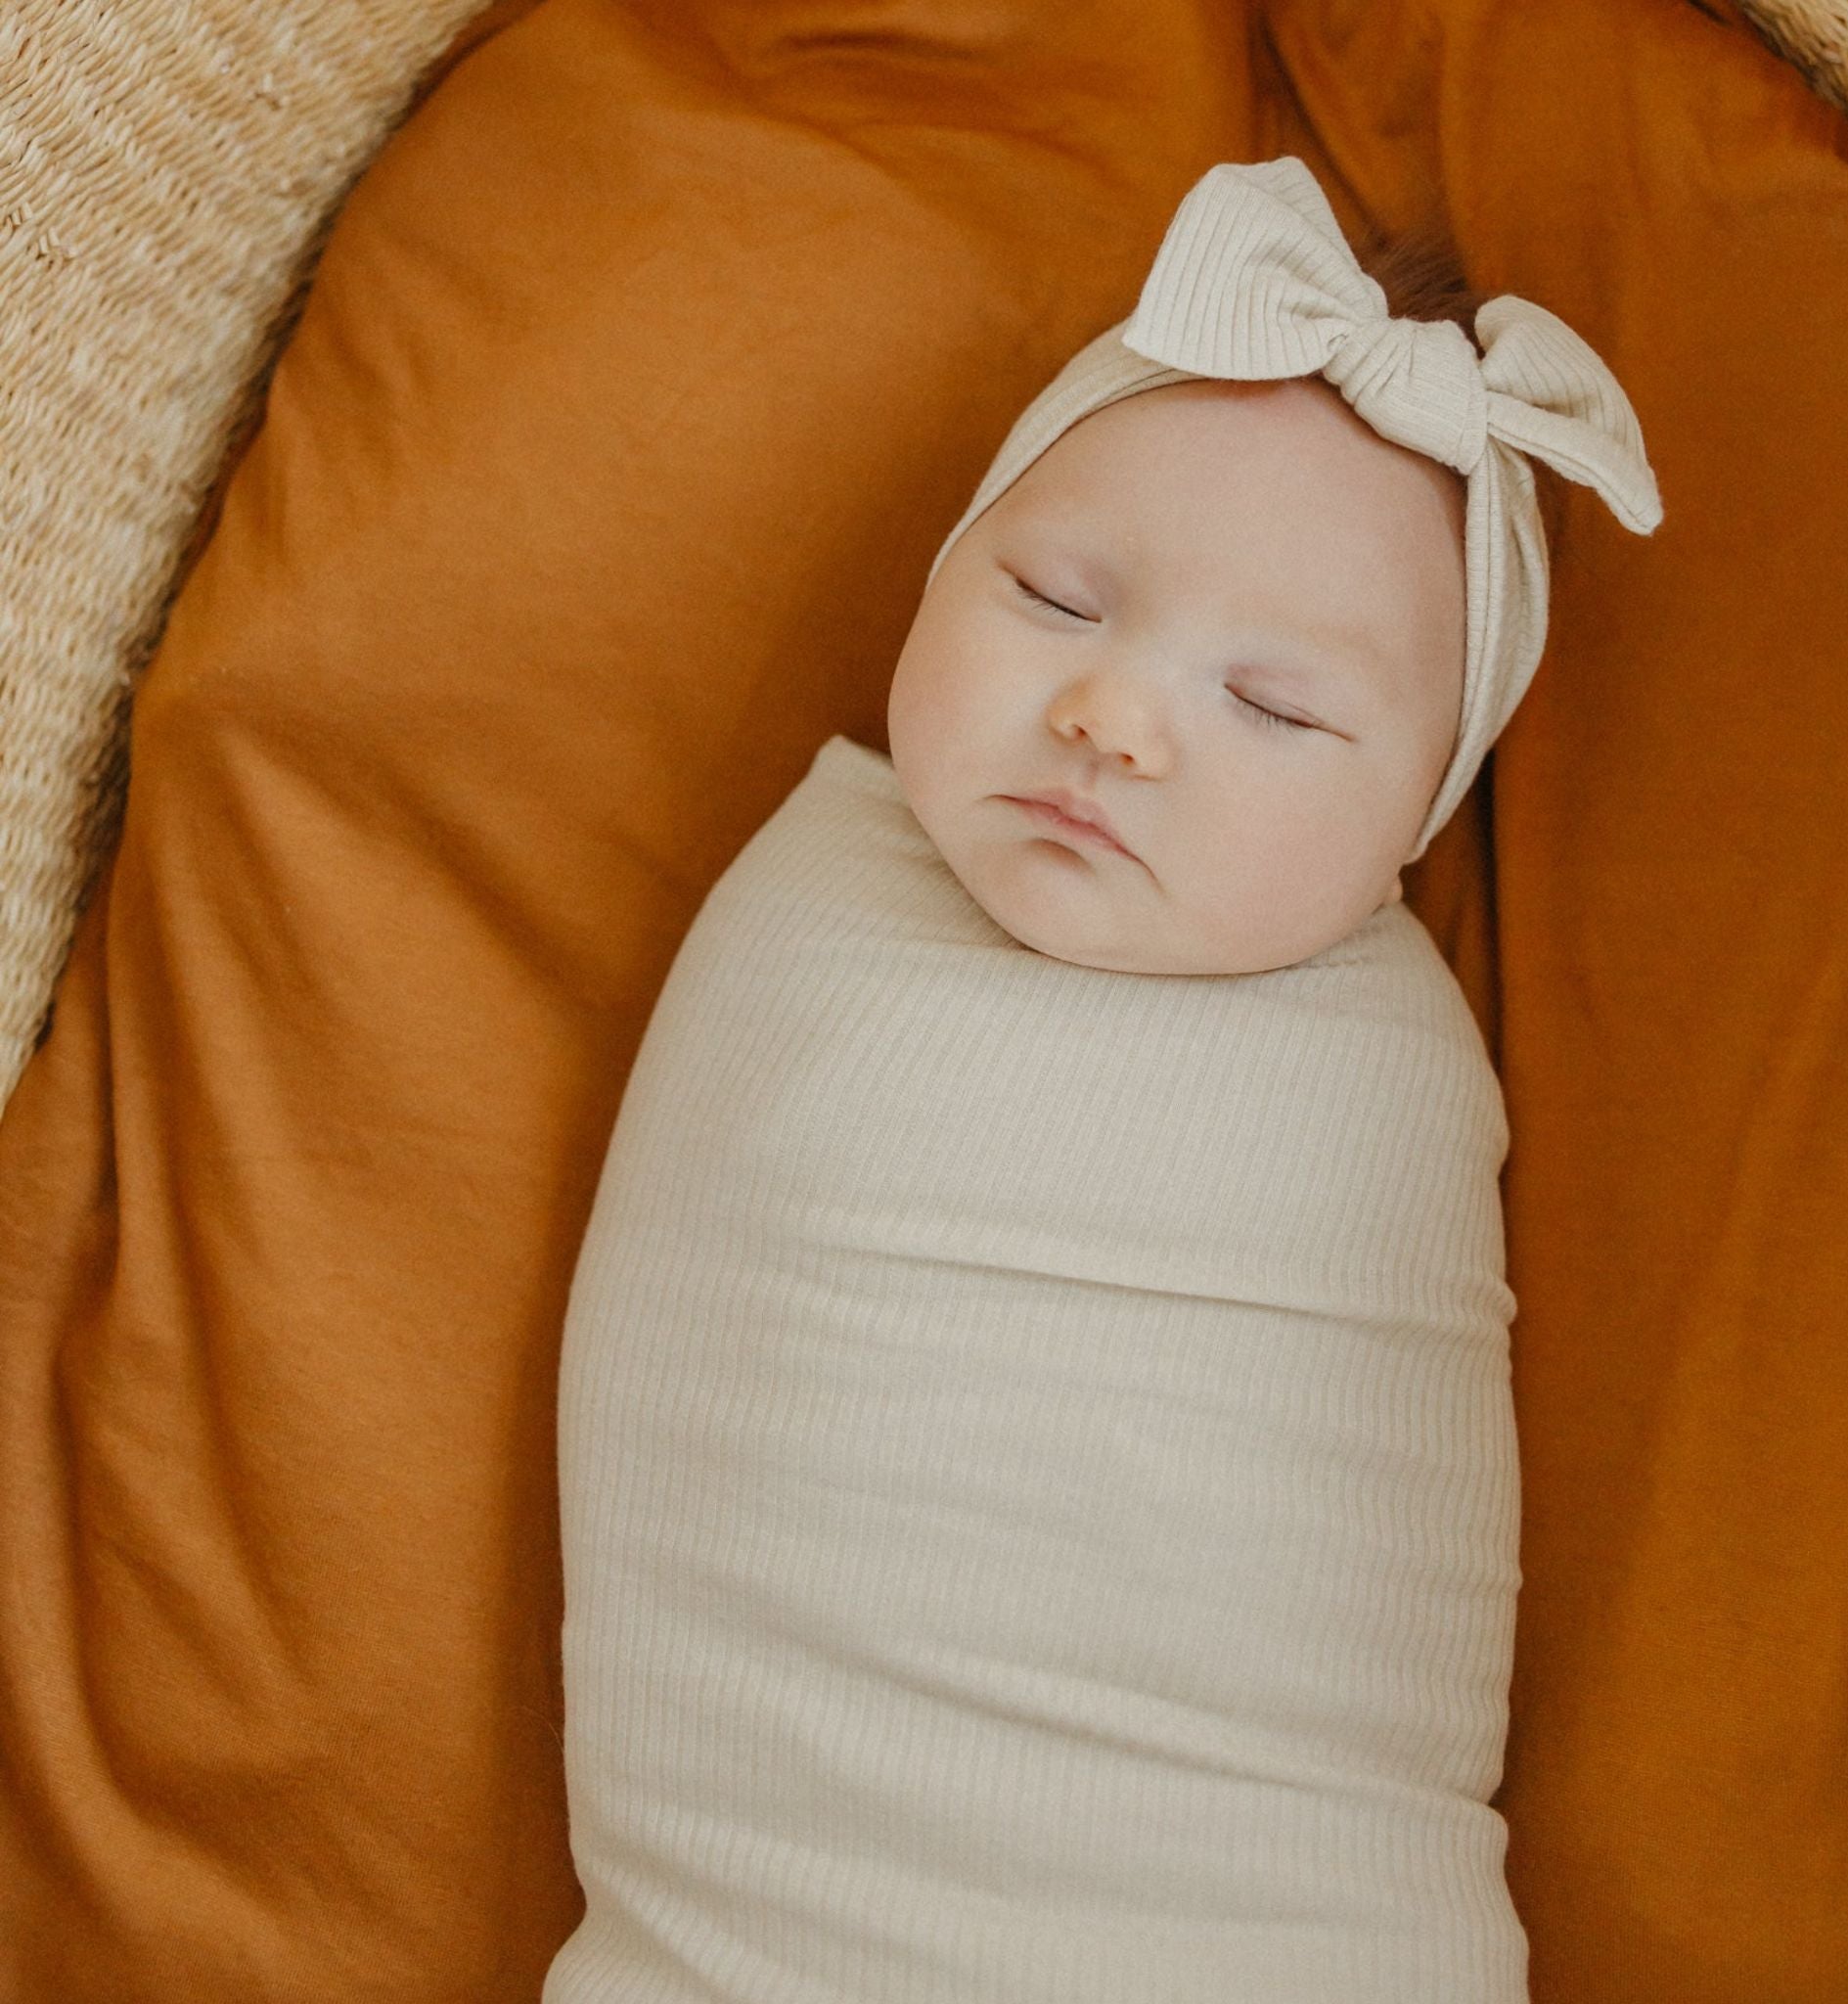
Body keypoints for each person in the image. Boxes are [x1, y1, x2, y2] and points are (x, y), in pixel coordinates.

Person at [545, 156, 1661, 2002]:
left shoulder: (1386, 1078)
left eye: (1279, 708)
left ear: (1415, 820)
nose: (1113, 717)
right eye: (1055, 597)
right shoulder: (811, 893)